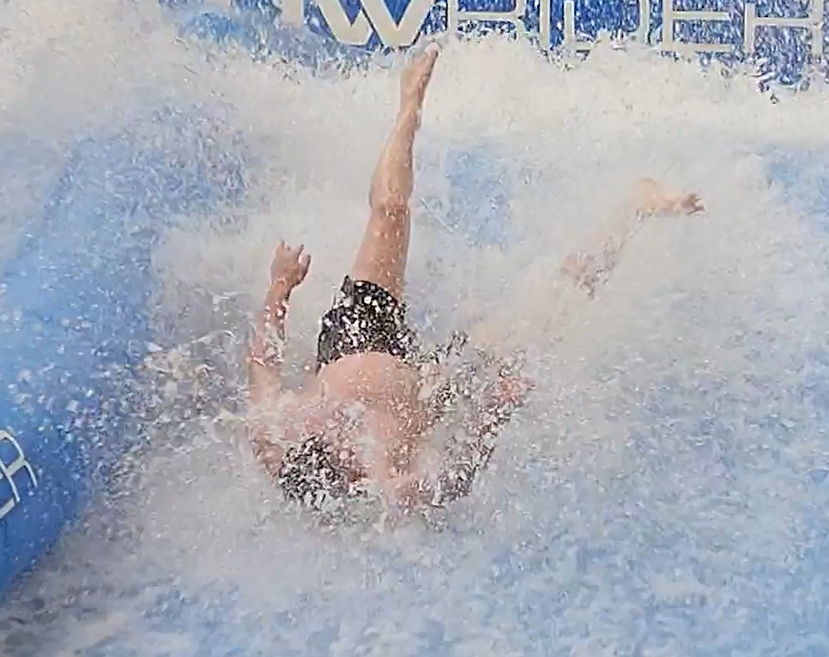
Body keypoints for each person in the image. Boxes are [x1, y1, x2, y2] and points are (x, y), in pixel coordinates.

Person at [245, 43, 700, 517]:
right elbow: (459, 476)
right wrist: (492, 414)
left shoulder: (277, 435)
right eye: (344, 438)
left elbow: (262, 363)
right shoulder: (393, 485)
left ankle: (408, 107)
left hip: (355, 342)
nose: (339, 421)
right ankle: (634, 209)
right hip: (431, 388)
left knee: (390, 214)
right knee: (548, 311)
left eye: (329, 423)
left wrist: (279, 290)